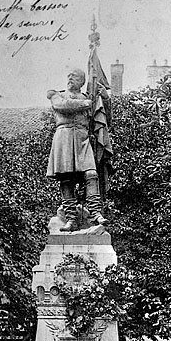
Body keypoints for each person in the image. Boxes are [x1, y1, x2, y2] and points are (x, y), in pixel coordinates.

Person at [47, 68, 109, 232]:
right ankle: (71, 220)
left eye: (74, 77)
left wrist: (104, 97)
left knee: (91, 174)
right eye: (68, 76)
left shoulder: (90, 99)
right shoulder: (57, 94)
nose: (70, 78)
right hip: (64, 137)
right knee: (67, 179)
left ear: (82, 81)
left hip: (82, 138)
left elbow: (103, 117)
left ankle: (96, 213)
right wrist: (86, 103)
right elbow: (61, 106)